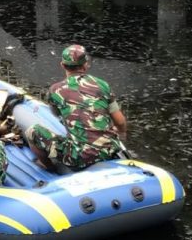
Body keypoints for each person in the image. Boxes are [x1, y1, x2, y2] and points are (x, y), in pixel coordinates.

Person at [26, 44, 128, 172]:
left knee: (33, 131)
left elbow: (56, 113)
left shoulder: (55, 90)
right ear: (86, 64)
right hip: (110, 150)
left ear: (62, 65)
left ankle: (49, 167)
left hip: (80, 157)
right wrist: (122, 134)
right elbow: (120, 121)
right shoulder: (102, 85)